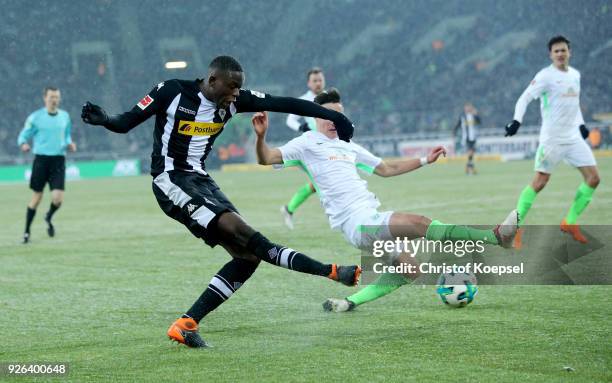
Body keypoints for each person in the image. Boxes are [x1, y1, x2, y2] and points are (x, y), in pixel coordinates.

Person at [80, 56, 360, 348]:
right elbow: (126, 121)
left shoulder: (233, 102)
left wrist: (334, 117)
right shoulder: (171, 91)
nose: (236, 94)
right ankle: (329, 271)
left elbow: (287, 103)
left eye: (239, 88)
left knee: (248, 257)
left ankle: (186, 324)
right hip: (171, 180)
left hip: (202, 181)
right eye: (232, 87)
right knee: (246, 236)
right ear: (212, 81)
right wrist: (106, 120)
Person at [252, 88, 518, 312]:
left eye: (339, 114)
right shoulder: (306, 143)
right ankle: (495, 237)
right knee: (419, 223)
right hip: (356, 223)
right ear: (316, 117)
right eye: (329, 114)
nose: (335, 119)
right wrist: (261, 136)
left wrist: (426, 159)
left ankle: (349, 303)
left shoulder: (348, 145)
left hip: (370, 214)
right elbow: (266, 158)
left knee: (410, 270)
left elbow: (387, 169)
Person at [505, 36, 600, 245]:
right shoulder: (545, 76)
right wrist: (516, 121)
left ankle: (570, 221)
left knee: (593, 178)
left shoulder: (575, 75)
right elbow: (525, 97)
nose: (560, 54)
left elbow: (574, 104)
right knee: (539, 183)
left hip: (573, 138)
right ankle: (515, 228)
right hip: (552, 140)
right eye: (556, 51)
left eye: (563, 50)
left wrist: (581, 124)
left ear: (569, 52)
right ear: (550, 55)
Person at [18, 87, 76, 244]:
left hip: (58, 160)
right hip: (41, 160)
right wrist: (23, 144)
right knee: (37, 198)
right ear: (45, 98)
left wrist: (69, 144)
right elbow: (24, 135)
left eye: (57, 97)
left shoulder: (65, 116)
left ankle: (48, 216)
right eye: (51, 97)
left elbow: (67, 135)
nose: (54, 100)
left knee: (57, 199)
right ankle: (26, 232)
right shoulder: (35, 117)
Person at [281, 67, 326, 229]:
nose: (318, 83)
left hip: (329, 147)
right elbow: (290, 120)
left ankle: (288, 209)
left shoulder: (330, 99)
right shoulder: (304, 101)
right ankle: (335, 211)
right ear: (309, 83)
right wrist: (302, 128)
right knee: (322, 180)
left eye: (320, 80)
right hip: (311, 148)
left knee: (316, 184)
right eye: (315, 80)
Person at [453, 102, 481, 175]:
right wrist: (454, 132)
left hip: (473, 137)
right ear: (465, 108)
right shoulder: (462, 116)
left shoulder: (473, 116)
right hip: (466, 138)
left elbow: (479, 122)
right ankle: (470, 169)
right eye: (467, 107)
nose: (468, 108)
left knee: (471, 154)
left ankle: (468, 167)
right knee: (470, 152)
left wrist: (476, 115)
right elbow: (457, 125)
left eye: (469, 107)